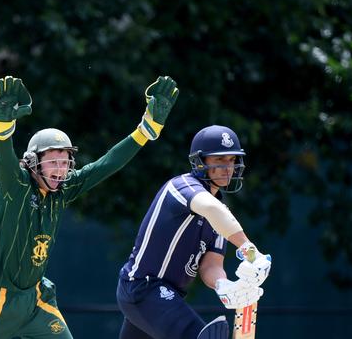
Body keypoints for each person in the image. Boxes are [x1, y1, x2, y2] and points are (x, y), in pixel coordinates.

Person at [0, 75, 179, 338]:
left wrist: (146, 129)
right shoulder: (14, 187)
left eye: (65, 162)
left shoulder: (62, 190)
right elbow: (3, 158)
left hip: (34, 302)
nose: (60, 170)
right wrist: (2, 128)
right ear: (32, 161)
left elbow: (105, 164)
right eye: (53, 162)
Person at [116, 124, 273, 339]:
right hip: (144, 287)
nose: (227, 167)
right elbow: (210, 208)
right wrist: (250, 250)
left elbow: (211, 264)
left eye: (231, 160)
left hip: (166, 298)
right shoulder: (181, 186)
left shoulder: (221, 214)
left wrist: (224, 285)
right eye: (219, 160)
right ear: (200, 162)